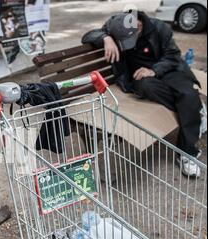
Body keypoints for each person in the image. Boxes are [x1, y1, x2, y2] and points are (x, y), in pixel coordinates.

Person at [82, 11, 205, 177]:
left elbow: (173, 56)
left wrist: (154, 70)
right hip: (140, 77)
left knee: (186, 94)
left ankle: (187, 153)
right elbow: (88, 35)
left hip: (168, 70)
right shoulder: (117, 23)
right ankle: (195, 110)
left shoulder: (159, 28)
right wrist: (106, 38)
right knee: (152, 88)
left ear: (138, 26)